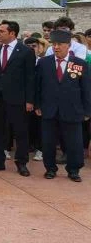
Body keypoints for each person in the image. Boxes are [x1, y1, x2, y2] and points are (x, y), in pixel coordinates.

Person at [35, 30, 91, 182]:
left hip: (73, 110)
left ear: (68, 45)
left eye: (60, 44)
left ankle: (73, 170)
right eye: (54, 44)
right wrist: (37, 105)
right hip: (49, 109)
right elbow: (37, 86)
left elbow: (86, 89)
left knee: (74, 143)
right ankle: (50, 169)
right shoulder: (44, 63)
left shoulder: (79, 64)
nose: (56, 47)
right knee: (48, 142)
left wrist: (87, 110)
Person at [0, 20, 36, 176]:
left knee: (20, 132)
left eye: (2, 31)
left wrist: (30, 100)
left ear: (12, 33)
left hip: (18, 99)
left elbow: (30, 78)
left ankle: (21, 163)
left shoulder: (26, 51)